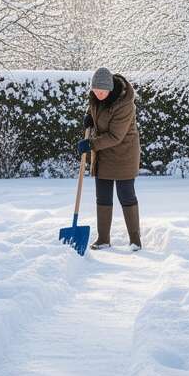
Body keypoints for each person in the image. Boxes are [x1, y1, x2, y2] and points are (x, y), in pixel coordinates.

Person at [75, 66, 142, 251]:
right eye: (95, 91)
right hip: (104, 154)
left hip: (124, 154)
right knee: (102, 196)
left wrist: (91, 144)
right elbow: (94, 110)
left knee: (126, 195)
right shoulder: (95, 97)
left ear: (111, 89)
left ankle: (135, 240)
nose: (99, 94)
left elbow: (115, 136)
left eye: (103, 91)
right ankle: (103, 239)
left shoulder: (125, 104)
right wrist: (89, 117)